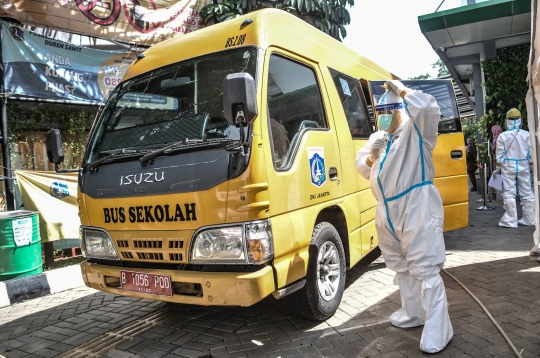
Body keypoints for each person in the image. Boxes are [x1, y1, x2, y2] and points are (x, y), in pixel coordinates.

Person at [355, 80, 453, 353]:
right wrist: (372, 159)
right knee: (400, 264)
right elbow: (361, 166)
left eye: (390, 108)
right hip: (385, 208)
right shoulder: (378, 137)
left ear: (401, 108)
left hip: (416, 204)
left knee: (424, 265)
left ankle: (439, 328)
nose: (384, 114)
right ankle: (413, 312)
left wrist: (402, 89)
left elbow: (429, 108)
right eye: (380, 109)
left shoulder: (416, 130)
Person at [495, 108, 535, 228]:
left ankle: (510, 220)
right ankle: (529, 219)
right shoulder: (526, 134)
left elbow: (499, 155)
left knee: (509, 192)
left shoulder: (503, 136)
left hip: (508, 166)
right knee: (527, 192)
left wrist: (498, 167)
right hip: (524, 166)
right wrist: (532, 166)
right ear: (520, 120)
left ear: (507, 120)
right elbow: (530, 153)